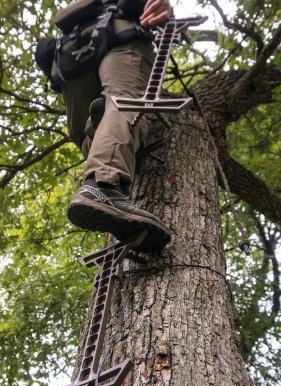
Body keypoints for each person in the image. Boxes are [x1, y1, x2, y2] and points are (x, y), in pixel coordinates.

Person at [62, 0, 173, 253]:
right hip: (119, 36)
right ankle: (104, 186)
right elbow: (156, 7)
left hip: (71, 57)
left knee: (84, 138)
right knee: (124, 100)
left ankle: (101, 127)